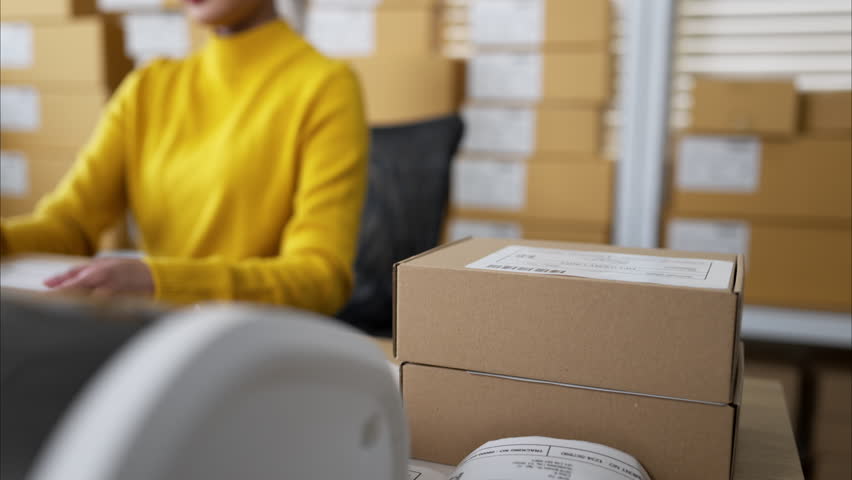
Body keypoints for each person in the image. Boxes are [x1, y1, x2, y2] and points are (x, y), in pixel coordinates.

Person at [0, 0, 368, 316]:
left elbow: (322, 276)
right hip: (157, 336)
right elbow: (71, 226)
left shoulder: (326, 87)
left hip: (257, 345)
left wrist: (159, 281)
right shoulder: (149, 87)